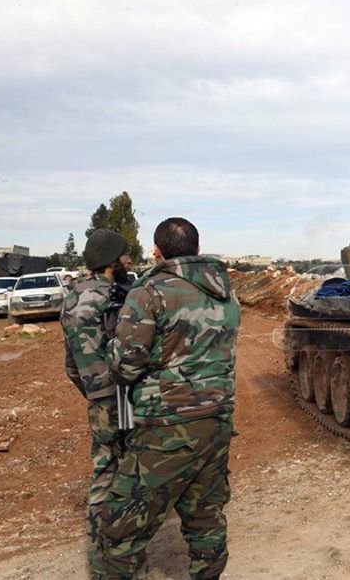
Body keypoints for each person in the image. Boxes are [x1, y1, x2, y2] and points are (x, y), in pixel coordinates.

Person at [97, 218, 241, 580]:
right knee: (206, 516)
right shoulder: (225, 290)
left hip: (165, 426)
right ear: (195, 248)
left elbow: (125, 366)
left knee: (120, 527)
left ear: (157, 251)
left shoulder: (150, 292)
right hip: (217, 419)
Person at [60, 229, 132, 567]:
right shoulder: (115, 297)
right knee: (129, 469)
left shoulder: (72, 298)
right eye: (125, 256)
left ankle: (98, 549)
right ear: (111, 261)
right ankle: (121, 553)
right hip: (124, 396)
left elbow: (71, 365)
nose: (129, 261)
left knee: (104, 467)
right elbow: (132, 351)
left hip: (98, 398)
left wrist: (92, 389)